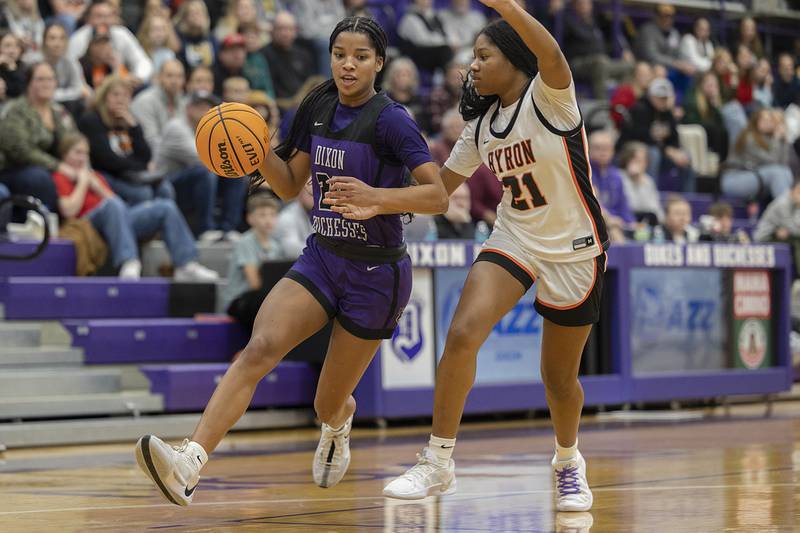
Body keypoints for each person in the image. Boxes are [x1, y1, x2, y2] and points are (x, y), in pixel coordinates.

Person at [134, 16, 448, 506]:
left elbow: (438, 196)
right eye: (340, 53)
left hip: (376, 274)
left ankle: (338, 424)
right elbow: (285, 185)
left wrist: (377, 198)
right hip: (323, 256)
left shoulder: (392, 119)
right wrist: (256, 147)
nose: (348, 64)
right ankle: (190, 462)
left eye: (360, 56)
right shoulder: (319, 104)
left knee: (327, 402)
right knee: (259, 348)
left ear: (379, 63)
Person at [382, 0, 607, 513]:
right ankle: (438, 462)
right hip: (515, 237)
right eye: (472, 56)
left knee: (558, 379)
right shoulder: (481, 127)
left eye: (483, 55)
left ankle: (568, 460)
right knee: (462, 333)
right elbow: (438, 192)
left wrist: (505, 5)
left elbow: (550, 50)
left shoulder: (551, 99)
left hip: (574, 248)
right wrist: (375, 199)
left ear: (514, 59)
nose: (473, 66)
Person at [53, 131, 219, 281]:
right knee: (113, 204)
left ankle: (186, 265)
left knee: (165, 207)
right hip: (88, 224)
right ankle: (129, 262)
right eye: (77, 153)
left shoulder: (95, 176)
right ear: (64, 154)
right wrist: (83, 182)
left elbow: (118, 207)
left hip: (117, 220)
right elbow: (69, 211)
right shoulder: (60, 176)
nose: (82, 158)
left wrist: (96, 186)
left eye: (85, 154)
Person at [153, 90, 240, 241]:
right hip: (166, 185)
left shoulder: (209, 129)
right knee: (205, 171)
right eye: (200, 106)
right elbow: (205, 159)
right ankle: (205, 229)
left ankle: (228, 228)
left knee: (236, 173)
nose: (205, 111)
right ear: (188, 108)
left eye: (208, 107)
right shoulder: (177, 127)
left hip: (192, 181)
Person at [0, 61, 77, 212]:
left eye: (50, 79)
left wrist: (79, 165)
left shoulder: (59, 111)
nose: (46, 84)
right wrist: (58, 166)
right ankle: (48, 224)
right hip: (15, 170)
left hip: (53, 169)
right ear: (28, 83)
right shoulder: (16, 110)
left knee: (95, 178)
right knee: (39, 178)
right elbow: (22, 151)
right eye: (40, 79)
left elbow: (75, 141)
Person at [222, 193, 285, 311]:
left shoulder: (276, 246)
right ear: (250, 218)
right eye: (262, 215)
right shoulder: (245, 242)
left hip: (262, 297)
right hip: (240, 301)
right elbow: (254, 283)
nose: (268, 220)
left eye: (272, 215)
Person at [67, 0, 152, 86]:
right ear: (89, 19)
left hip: (120, 84)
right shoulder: (78, 39)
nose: (104, 21)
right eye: (99, 16)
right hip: (87, 86)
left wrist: (138, 77)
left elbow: (142, 61)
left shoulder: (122, 34)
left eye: (108, 16)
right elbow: (71, 69)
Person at [721, 108, 793, 201]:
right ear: (756, 121)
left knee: (786, 171)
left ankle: (789, 210)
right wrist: (777, 139)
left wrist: (784, 142)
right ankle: (785, 211)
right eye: (764, 120)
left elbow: (783, 163)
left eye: (770, 120)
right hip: (735, 178)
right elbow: (772, 161)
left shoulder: (769, 139)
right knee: (777, 173)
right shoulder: (749, 137)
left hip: (755, 177)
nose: (768, 123)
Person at [29, 22, 91, 118]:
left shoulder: (71, 60)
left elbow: (79, 88)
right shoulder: (34, 62)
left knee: (82, 103)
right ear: (44, 41)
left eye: (62, 38)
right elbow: (33, 92)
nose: (57, 44)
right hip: (37, 103)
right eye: (52, 38)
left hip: (62, 102)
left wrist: (56, 95)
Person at [130, 59, 186, 150]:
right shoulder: (145, 102)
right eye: (169, 76)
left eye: (179, 76)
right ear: (159, 77)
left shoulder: (183, 101)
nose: (174, 81)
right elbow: (151, 142)